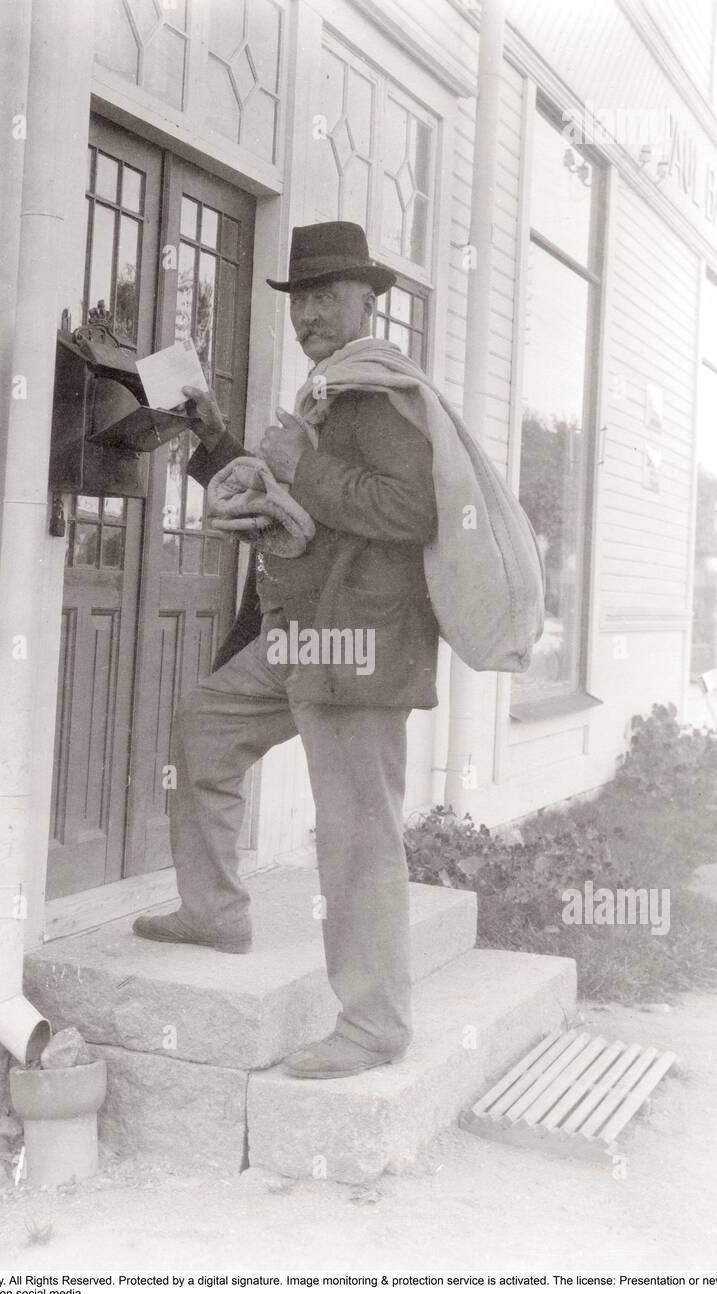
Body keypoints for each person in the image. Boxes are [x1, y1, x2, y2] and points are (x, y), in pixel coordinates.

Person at [133, 222, 439, 1080]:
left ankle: (373, 1026)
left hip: (361, 648)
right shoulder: (330, 389)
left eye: (325, 295)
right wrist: (215, 441)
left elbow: (410, 514)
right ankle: (215, 912)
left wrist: (301, 464)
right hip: (301, 635)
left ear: (366, 298)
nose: (307, 312)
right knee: (204, 727)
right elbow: (295, 500)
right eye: (298, 298)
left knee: (356, 836)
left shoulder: (379, 392)